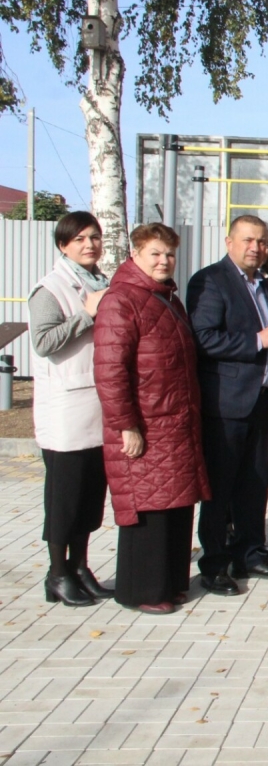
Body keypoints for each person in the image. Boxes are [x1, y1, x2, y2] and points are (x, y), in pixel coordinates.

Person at [95, 224, 212, 614]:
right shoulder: (121, 301)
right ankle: (142, 590)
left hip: (175, 419)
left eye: (169, 254)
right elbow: (111, 370)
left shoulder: (166, 298)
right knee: (149, 508)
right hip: (144, 423)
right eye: (155, 254)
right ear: (136, 255)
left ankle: (171, 583)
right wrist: (125, 424)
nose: (164, 261)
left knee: (176, 505)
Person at [188, 214, 268, 598]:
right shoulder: (210, 280)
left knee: (253, 485)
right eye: (248, 240)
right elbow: (202, 338)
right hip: (225, 404)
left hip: (262, 400)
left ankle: (250, 552)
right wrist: (255, 341)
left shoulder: (263, 286)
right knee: (219, 491)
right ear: (229, 241)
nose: (256, 248)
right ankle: (214, 564)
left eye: (262, 242)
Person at [28, 212, 112, 607]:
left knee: (91, 496)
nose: (89, 244)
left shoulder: (102, 283)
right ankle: (56, 573)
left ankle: (81, 566)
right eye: (79, 239)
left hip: (98, 408)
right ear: (63, 245)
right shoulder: (50, 288)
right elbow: (44, 342)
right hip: (66, 410)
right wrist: (86, 315)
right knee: (64, 498)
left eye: (94, 237)